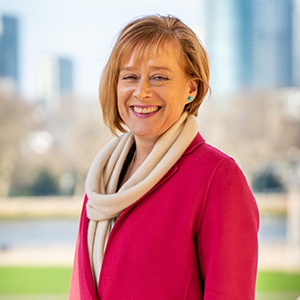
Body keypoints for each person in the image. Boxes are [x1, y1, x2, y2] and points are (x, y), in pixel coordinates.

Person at [69, 15, 259, 300]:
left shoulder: (217, 178)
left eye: (159, 77)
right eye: (130, 77)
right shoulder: (102, 181)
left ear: (191, 89)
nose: (141, 91)